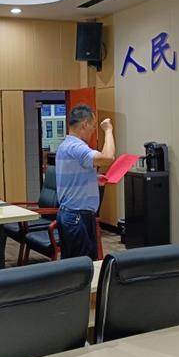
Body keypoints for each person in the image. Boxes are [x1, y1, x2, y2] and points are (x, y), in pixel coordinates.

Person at [55, 104, 115, 259]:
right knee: (84, 265)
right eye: (93, 126)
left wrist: (93, 179)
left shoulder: (64, 146)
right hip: (77, 217)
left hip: (69, 215)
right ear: (84, 125)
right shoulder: (76, 147)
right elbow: (108, 157)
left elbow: (72, 176)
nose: (93, 130)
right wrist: (108, 130)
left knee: (73, 264)